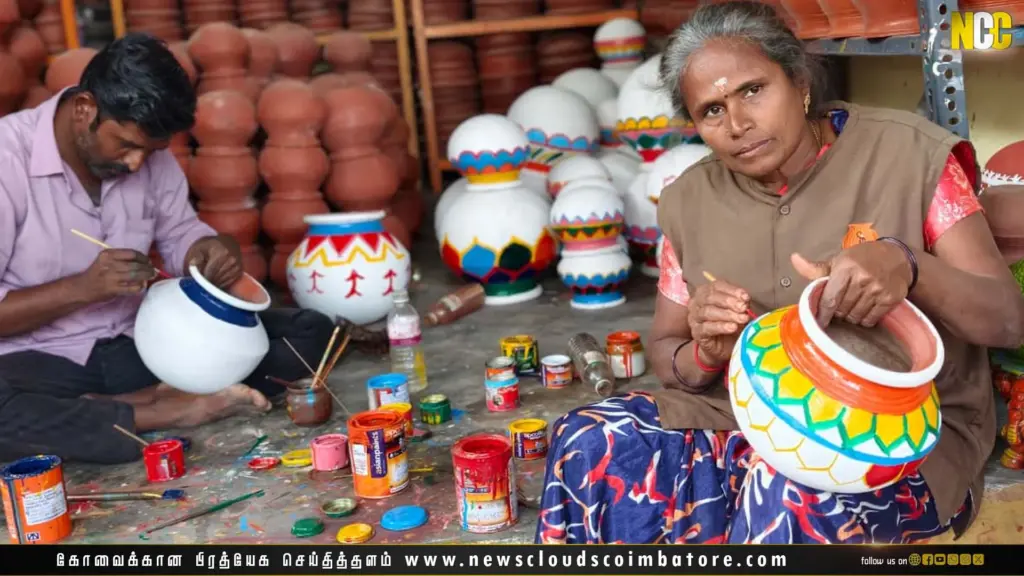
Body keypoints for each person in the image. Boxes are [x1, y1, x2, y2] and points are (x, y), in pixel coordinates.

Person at [536, 1, 1024, 544]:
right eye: (712, 110)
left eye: (752, 90)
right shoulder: (688, 201)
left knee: (789, 493)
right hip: (743, 416)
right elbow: (667, 354)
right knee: (589, 439)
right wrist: (704, 353)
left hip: (893, 437)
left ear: (799, 80)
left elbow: (1009, 322)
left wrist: (909, 265)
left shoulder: (909, 156)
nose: (738, 124)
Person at [0, 33, 335, 466]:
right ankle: (164, 409)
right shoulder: (8, 159)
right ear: (85, 109)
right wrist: (82, 288)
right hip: (40, 363)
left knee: (309, 333)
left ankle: (116, 405)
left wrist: (207, 252)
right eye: (126, 145)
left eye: (151, 150)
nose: (138, 163)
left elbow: (181, 233)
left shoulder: (151, 159)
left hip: (144, 343)